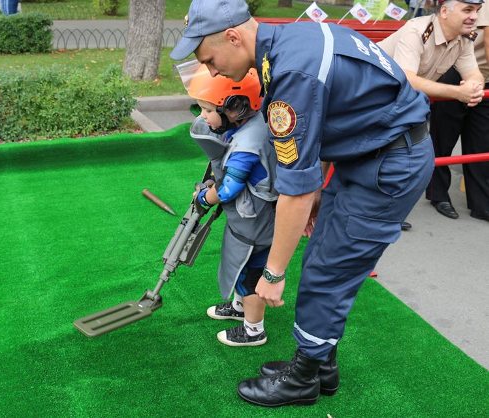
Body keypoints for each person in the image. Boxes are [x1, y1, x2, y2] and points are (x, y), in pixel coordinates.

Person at [171, 0, 434, 408]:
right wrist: (316, 196)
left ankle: (303, 379)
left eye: (209, 59)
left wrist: (273, 273)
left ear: (233, 36)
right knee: (324, 259)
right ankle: (320, 365)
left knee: (328, 269)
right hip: (372, 152)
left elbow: (293, 189)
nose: (212, 71)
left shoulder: (290, 71)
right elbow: (342, 111)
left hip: (388, 163)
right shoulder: (292, 42)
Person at [178, 61, 278, 346]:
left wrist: (203, 197)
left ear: (235, 107)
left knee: (251, 274)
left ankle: (253, 330)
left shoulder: (247, 145)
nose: (203, 116)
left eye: (208, 110)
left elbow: (227, 191)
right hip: (249, 219)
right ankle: (238, 309)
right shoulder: (251, 124)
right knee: (239, 262)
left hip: (255, 221)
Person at [379, 0, 485, 220]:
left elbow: (474, 73)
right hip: (372, 95)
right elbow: (408, 79)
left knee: (402, 157)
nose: (474, 17)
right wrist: (458, 92)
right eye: (467, 10)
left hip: (399, 101)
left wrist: (473, 86)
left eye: (477, 10)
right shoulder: (417, 31)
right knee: (376, 158)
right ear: (444, 11)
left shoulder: (463, 38)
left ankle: (389, 214)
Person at [425, 4, 489, 221]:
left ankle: (481, 204)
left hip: (482, 80)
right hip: (454, 70)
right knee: (444, 137)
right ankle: (438, 194)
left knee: (481, 142)